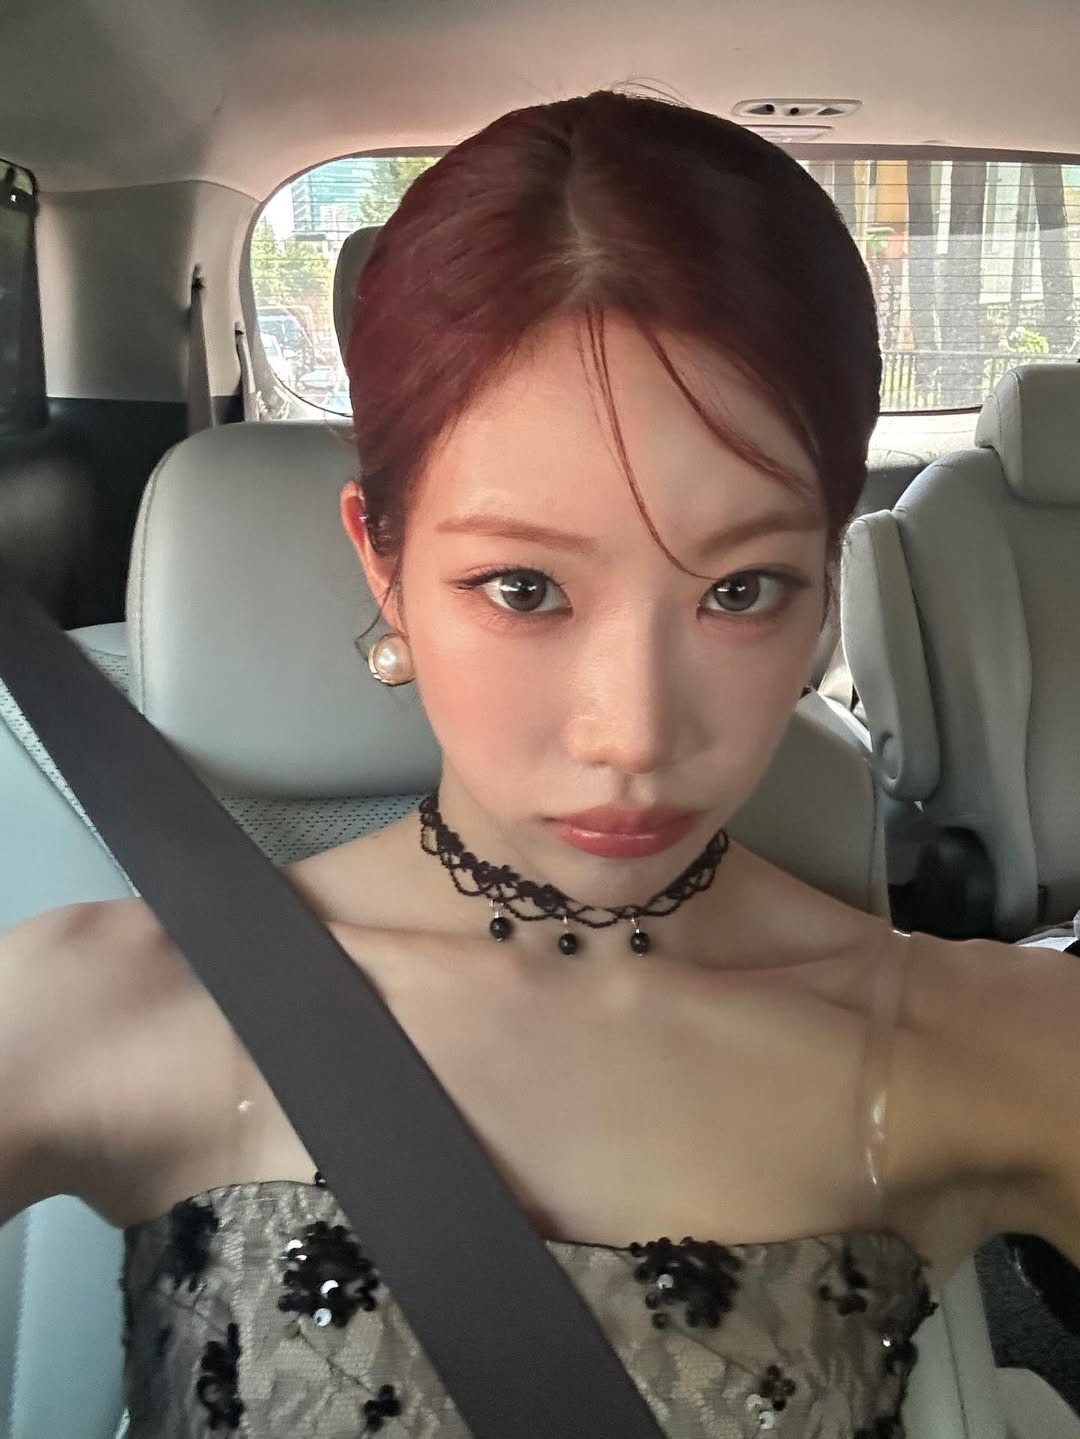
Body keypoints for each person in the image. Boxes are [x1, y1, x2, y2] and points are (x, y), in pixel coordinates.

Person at [2, 89, 1078, 1439]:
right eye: (523, 587)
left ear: (827, 580)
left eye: (741, 589)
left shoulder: (991, 1042)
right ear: (383, 564)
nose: (633, 733)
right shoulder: (112, 1007)